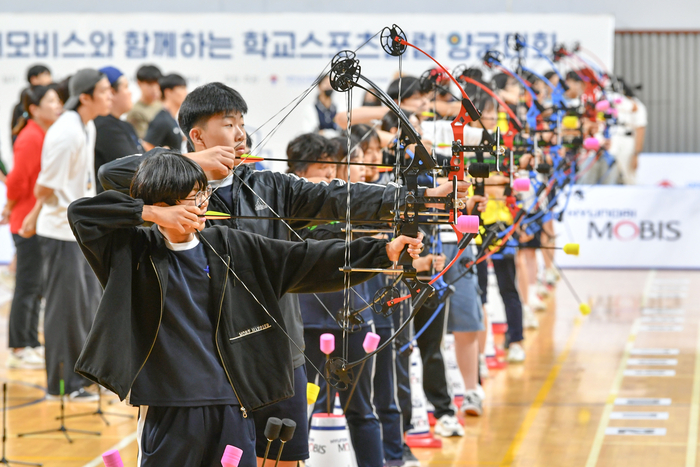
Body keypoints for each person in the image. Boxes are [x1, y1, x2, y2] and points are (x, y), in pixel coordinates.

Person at [97, 81, 471, 467]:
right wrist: (192, 166)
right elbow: (110, 174)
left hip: (275, 350)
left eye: (242, 122)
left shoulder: (268, 186)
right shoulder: (163, 188)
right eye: (228, 124)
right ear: (196, 135)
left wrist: (416, 198)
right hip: (199, 362)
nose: (240, 133)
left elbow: (337, 196)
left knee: (284, 459)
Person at [67, 150, 423, 466]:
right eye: (189, 199)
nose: (201, 205)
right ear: (162, 205)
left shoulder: (229, 244)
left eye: (201, 194)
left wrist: (381, 253)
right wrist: (151, 214)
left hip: (231, 402)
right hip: (168, 403)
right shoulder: (131, 250)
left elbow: (304, 259)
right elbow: (81, 213)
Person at [25, 68, 113, 400]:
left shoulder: (86, 125)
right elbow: (45, 185)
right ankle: (62, 385)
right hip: (60, 233)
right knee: (64, 312)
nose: (110, 96)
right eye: (104, 90)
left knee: (85, 306)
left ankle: (84, 377)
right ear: (85, 96)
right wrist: (34, 216)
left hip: (77, 230)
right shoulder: (67, 133)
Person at [2, 84, 63, 369]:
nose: (57, 105)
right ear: (35, 109)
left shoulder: (44, 134)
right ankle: (18, 346)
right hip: (27, 222)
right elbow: (16, 182)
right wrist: (10, 208)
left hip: (38, 221)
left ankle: (31, 341)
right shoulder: (30, 137)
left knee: (36, 284)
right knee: (27, 285)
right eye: (51, 100)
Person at [94, 66, 143, 187]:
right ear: (111, 92)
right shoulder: (104, 127)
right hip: (111, 203)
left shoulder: (125, 125)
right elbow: (136, 167)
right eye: (125, 87)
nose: (130, 92)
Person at [143, 73, 187, 152]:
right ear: (168, 92)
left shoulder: (171, 118)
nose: (186, 92)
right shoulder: (162, 120)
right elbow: (146, 147)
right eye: (181, 88)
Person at [10, 64, 52, 140]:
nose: (49, 78)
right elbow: (15, 131)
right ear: (33, 79)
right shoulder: (24, 100)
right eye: (45, 75)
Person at [126, 64, 163, 139]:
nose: (154, 88)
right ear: (139, 83)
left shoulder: (162, 105)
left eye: (157, 84)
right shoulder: (134, 111)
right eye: (150, 84)